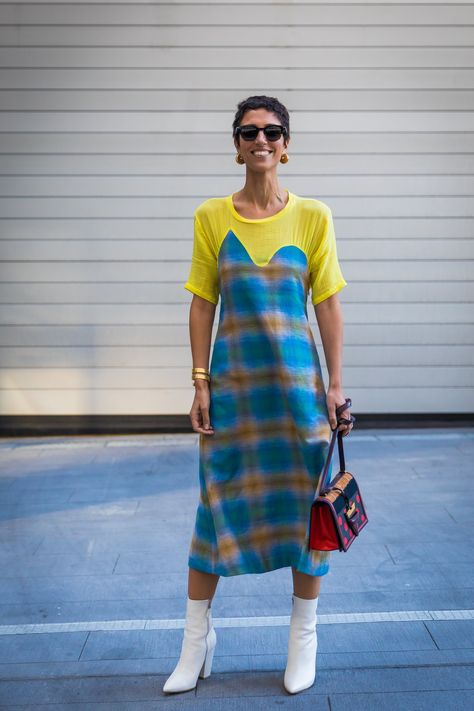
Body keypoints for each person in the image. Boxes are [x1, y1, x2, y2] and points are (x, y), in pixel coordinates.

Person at [163, 95, 353, 696]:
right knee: (214, 508)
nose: (261, 140)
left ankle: (303, 640)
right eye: (249, 132)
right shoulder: (211, 216)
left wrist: (336, 388)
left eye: (272, 131)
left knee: (306, 513)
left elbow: (327, 304)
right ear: (237, 143)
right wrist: (199, 382)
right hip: (235, 393)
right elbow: (201, 302)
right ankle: (196, 644)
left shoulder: (314, 216)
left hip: (298, 394)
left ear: (286, 143)